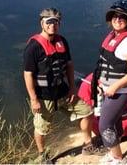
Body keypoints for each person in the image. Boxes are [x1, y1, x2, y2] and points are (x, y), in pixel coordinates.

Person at [23, 8, 104, 163]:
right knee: (41, 128)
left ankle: (88, 146)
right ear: (42, 23)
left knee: (86, 112)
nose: (53, 25)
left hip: (64, 92)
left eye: (56, 22)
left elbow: (69, 65)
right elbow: (27, 74)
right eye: (49, 22)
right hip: (44, 97)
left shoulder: (62, 41)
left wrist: (73, 87)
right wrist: (33, 99)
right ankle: (43, 156)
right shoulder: (33, 47)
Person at [92, 0, 127, 165]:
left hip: (120, 91)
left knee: (104, 125)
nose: (117, 19)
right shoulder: (113, 36)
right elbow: (105, 63)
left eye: (122, 17)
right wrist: (101, 82)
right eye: (114, 16)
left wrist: (115, 85)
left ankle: (119, 159)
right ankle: (114, 153)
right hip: (109, 88)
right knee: (114, 121)